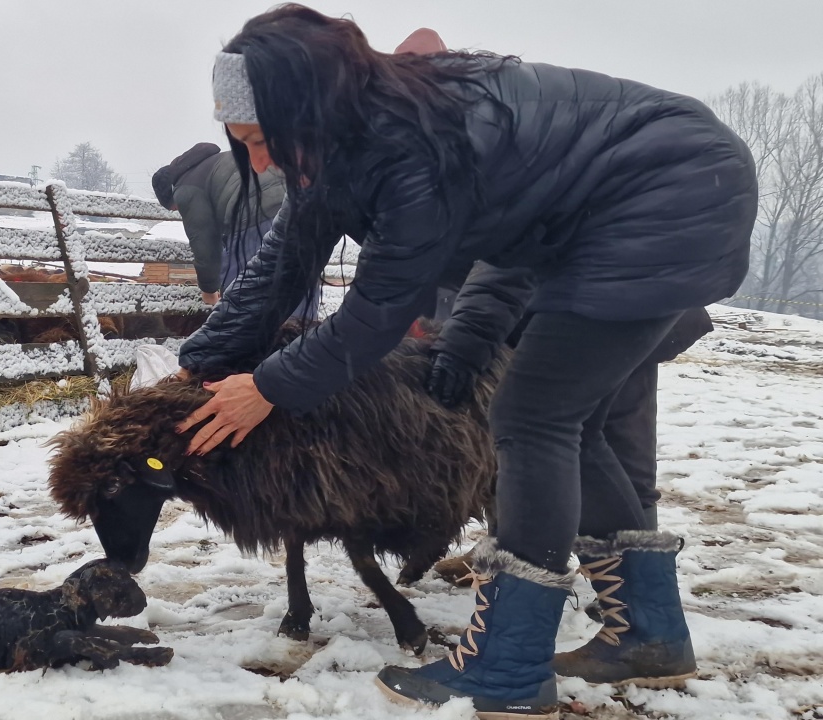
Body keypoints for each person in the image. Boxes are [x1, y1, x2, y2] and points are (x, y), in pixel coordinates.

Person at [173, 6, 755, 717]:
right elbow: (280, 268)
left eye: (264, 139)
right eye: (240, 143)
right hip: (643, 197)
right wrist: (196, 362)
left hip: (669, 192)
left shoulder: (408, 149)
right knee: (574, 424)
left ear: (309, 108)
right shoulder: (343, 146)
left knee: (533, 418)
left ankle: (507, 669)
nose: (257, 162)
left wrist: (267, 387)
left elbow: (378, 313)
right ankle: (652, 635)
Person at [427, 263, 715, 585]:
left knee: (612, 441)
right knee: (531, 440)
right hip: (565, 299)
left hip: (608, 302)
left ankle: (632, 596)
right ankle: (509, 555)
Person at [153, 143, 318, 317]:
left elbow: (205, 244)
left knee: (241, 298)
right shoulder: (218, 162)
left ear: (172, 195)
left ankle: (260, 342)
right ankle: (301, 338)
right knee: (299, 286)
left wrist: (209, 289)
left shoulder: (185, 188)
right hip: (299, 208)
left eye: (177, 209)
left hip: (255, 219)